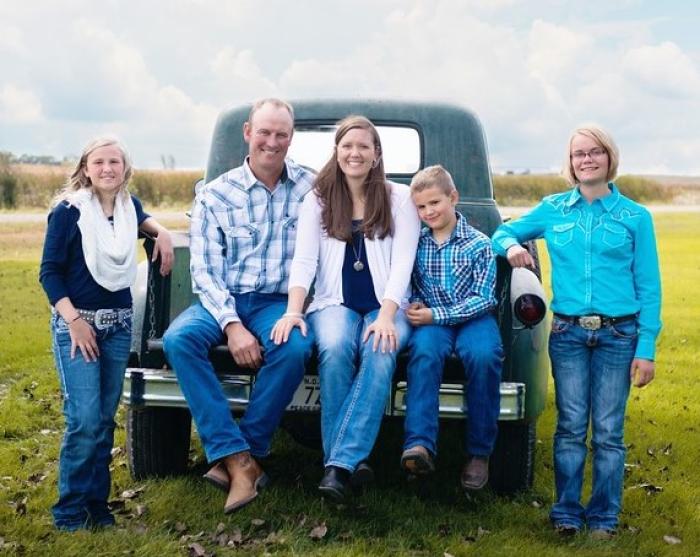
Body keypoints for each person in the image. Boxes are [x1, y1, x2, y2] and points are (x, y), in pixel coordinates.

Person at [492, 125, 661, 539]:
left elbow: (649, 287)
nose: (586, 160)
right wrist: (512, 247)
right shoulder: (554, 209)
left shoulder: (635, 218)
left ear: (609, 157)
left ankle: (603, 517)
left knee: (607, 430)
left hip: (618, 336)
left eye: (594, 152)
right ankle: (566, 512)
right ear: (570, 163)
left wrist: (647, 346)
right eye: (578, 154)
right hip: (567, 335)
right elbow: (503, 231)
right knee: (569, 426)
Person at [162, 98, 315, 514]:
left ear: (291, 138)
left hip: (277, 303)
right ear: (248, 133)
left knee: (296, 346)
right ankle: (239, 459)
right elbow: (206, 271)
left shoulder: (311, 188)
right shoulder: (216, 194)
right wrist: (231, 325)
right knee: (179, 340)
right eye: (264, 132)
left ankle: (245, 449)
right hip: (222, 301)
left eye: (281, 134)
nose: (272, 142)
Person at [271, 115, 421, 500]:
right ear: (336, 152)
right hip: (332, 302)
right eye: (347, 146)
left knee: (380, 347)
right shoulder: (318, 200)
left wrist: (387, 316)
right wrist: (293, 310)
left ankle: (338, 465)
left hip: (388, 305)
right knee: (335, 348)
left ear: (376, 155)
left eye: (363, 147)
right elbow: (303, 262)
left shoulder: (399, 199)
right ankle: (350, 460)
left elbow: (403, 262)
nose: (354, 153)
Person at [39, 136, 173, 531]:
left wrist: (162, 233)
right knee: (82, 420)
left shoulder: (130, 209)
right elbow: (49, 273)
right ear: (85, 168)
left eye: (114, 161)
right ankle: (69, 512)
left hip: (117, 326)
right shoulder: (68, 212)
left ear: (125, 169)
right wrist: (74, 323)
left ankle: (97, 506)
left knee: (103, 421)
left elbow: (148, 222)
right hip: (76, 323)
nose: (107, 168)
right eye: (98, 162)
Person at [399, 165, 503, 491]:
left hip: (473, 319)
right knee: (424, 352)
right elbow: (411, 283)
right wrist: (414, 303)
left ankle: (478, 452)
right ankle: (419, 444)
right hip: (432, 319)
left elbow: (484, 298)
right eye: (421, 206)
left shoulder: (478, 244)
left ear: (453, 197)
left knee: (485, 355)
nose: (429, 211)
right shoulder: (417, 244)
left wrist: (435, 315)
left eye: (435, 203)